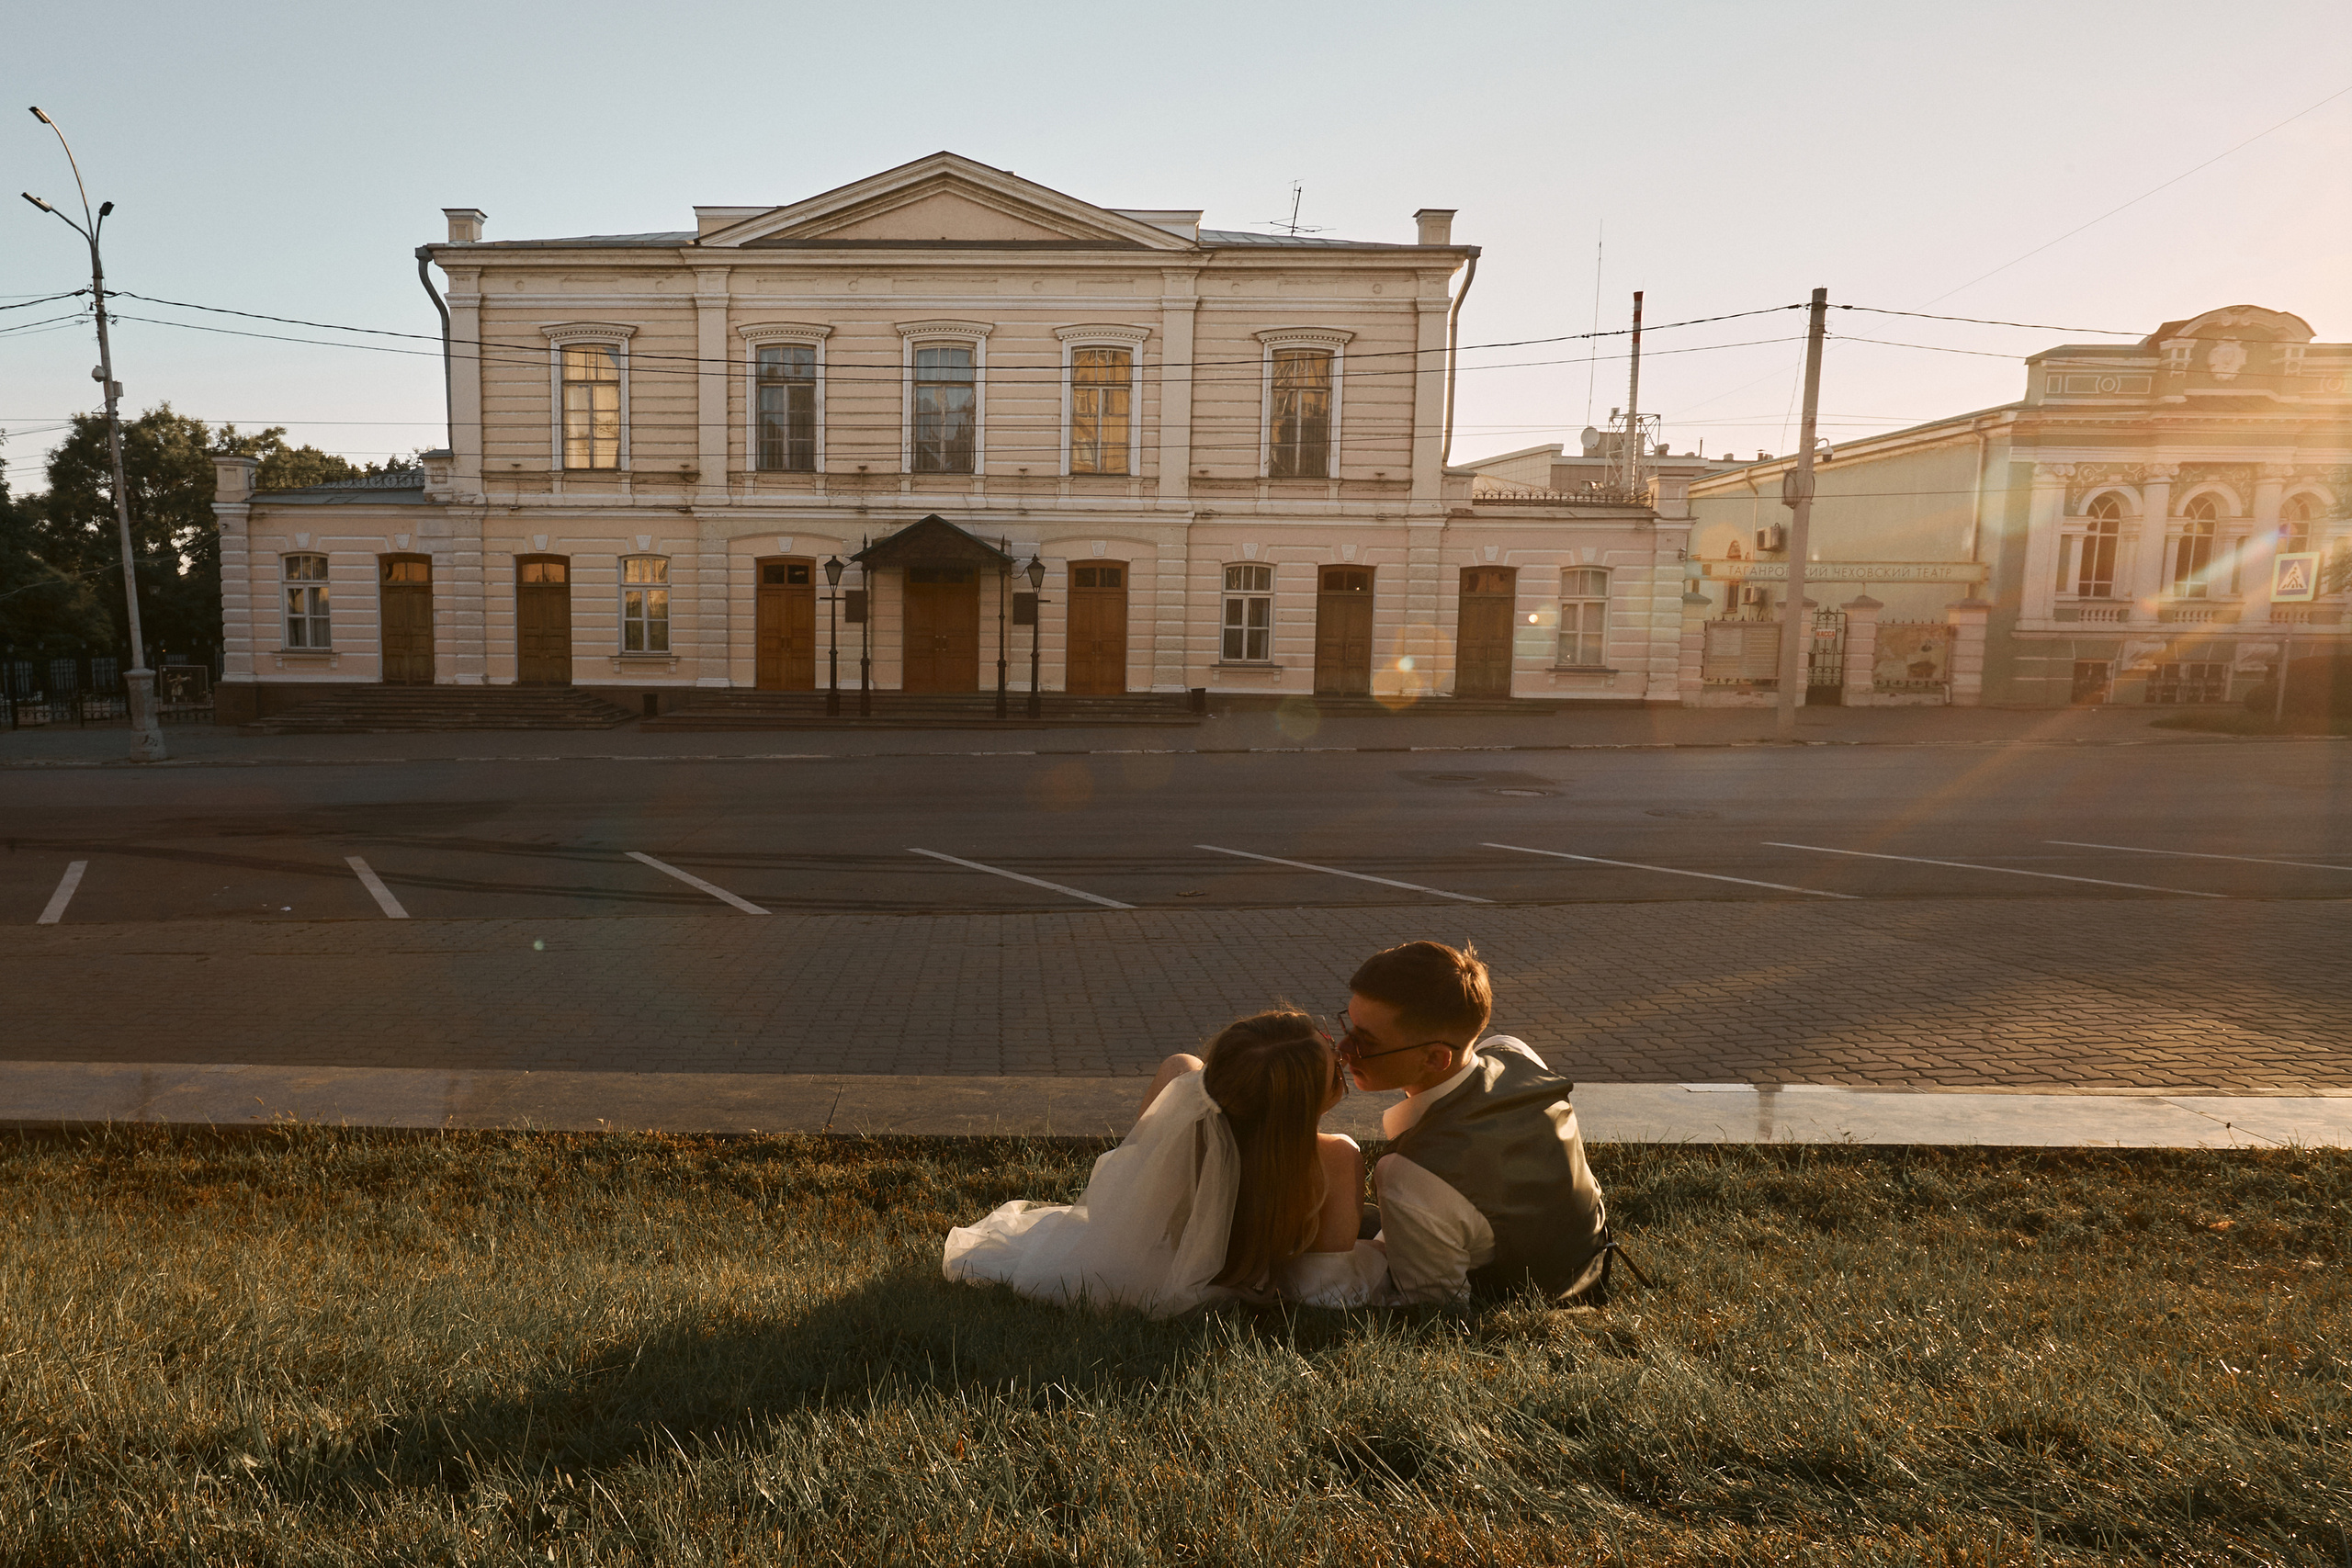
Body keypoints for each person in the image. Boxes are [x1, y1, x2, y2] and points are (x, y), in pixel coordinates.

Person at [942, 1010, 1387, 1315]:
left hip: (1155, 1256)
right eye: (1334, 1055)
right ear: (1306, 1101)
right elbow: (1327, 1284)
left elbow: (1123, 1191)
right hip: (1239, 1274)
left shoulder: (1193, 1121)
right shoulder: (1336, 1158)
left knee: (1180, 1067)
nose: (1342, 1051)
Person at [1340, 941, 1610, 1304]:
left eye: (1365, 1042)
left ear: (1435, 1058)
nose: (1343, 1049)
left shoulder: (1411, 1172)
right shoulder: (1513, 1053)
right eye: (1350, 1026)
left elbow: (1432, 1305)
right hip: (1591, 1262)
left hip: (1517, 1298)